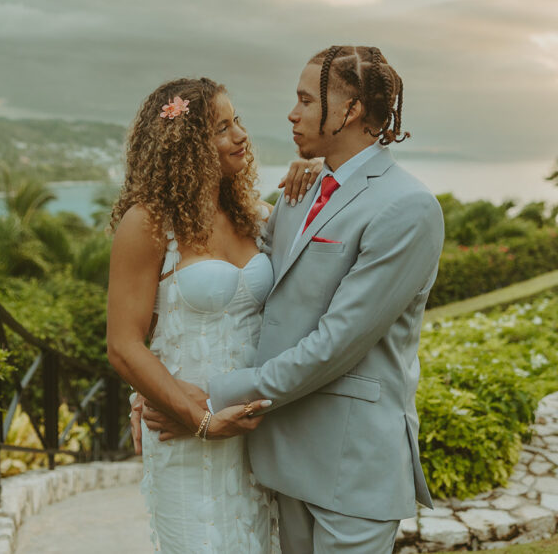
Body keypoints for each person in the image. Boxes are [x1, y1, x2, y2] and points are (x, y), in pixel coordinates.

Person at [144, 46, 445, 553]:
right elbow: (239, 293)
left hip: (352, 467)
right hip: (282, 458)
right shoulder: (298, 193)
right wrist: (153, 388)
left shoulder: (407, 207)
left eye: (306, 100)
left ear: (348, 111)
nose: (292, 112)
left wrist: (205, 396)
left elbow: (336, 343)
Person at [106, 77, 321, 552]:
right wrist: (196, 418)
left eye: (237, 121)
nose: (240, 135)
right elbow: (123, 344)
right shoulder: (148, 223)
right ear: (185, 146)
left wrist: (315, 170)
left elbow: (320, 252)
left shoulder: (254, 215)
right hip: (185, 436)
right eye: (221, 128)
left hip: (255, 433)